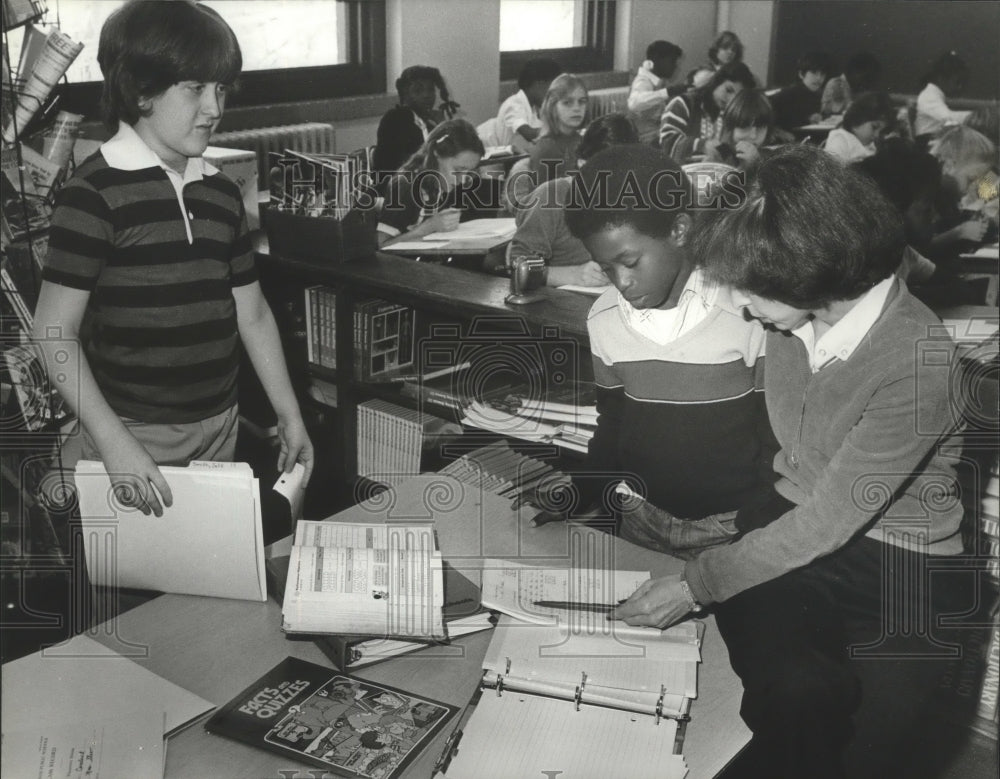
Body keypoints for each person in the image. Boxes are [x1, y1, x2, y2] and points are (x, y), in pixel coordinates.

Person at [613, 145, 972, 778]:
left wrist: (699, 581)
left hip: (903, 566)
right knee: (797, 698)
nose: (743, 306)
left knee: (870, 754)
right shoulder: (790, 320)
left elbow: (832, 519)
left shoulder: (918, 357)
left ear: (812, 273)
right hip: (792, 524)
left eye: (752, 291)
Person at [32, 0, 313, 516]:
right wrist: (113, 442)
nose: (215, 108)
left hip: (220, 424)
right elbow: (53, 332)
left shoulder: (222, 192)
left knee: (205, 580)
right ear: (141, 91)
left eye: (221, 88)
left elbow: (251, 313)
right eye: (195, 89)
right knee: (139, 591)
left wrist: (288, 411)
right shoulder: (94, 193)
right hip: (133, 432)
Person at [529, 144, 777, 562]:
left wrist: (759, 522)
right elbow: (614, 423)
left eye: (630, 261)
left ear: (679, 231)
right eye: (606, 268)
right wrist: (581, 490)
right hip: (638, 518)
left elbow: (774, 436)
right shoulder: (604, 319)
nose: (621, 282)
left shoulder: (748, 314)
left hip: (728, 530)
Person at [508, 113, 638, 288]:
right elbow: (517, 265)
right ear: (583, 163)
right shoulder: (551, 197)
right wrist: (572, 275)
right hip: (562, 302)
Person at [376, 118, 484, 248]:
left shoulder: (446, 182)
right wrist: (428, 227)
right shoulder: (406, 185)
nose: (462, 180)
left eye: (470, 171)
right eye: (458, 170)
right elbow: (381, 245)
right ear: (437, 153)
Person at [372, 65, 458, 182]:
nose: (426, 95)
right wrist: (441, 128)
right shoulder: (396, 118)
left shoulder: (428, 121)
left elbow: (455, 153)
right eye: (418, 90)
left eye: (430, 89)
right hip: (398, 186)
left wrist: (441, 124)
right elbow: (413, 161)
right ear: (405, 94)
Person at [659, 61, 756, 163]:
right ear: (717, 82)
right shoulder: (684, 103)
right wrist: (702, 145)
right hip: (679, 175)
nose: (730, 100)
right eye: (728, 90)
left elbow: (731, 153)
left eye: (736, 98)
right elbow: (667, 143)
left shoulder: (730, 115)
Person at [528, 73, 588, 189]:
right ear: (553, 107)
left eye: (582, 101)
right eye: (567, 103)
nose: (577, 108)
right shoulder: (545, 148)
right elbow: (543, 199)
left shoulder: (584, 141)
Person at [710, 89, 792, 173]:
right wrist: (745, 169)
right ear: (730, 127)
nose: (753, 136)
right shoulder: (718, 155)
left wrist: (756, 165)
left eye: (760, 128)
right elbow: (703, 182)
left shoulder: (771, 157)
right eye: (745, 127)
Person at [488, 58, 562, 150]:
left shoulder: (534, 110)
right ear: (539, 84)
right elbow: (529, 134)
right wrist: (560, 131)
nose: (554, 97)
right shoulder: (514, 104)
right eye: (552, 91)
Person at [627, 40, 684, 145]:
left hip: (654, 138)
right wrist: (668, 92)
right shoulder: (643, 81)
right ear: (658, 60)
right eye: (672, 61)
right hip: (644, 142)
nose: (675, 66)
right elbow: (634, 104)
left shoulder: (657, 83)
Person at [770, 51, 835, 131]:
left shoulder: (820, 95)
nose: (819, 78)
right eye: (814, 73)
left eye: (822, 74)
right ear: (801, 74)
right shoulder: (785, 95)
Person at [822, 90, 893, 163]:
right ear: (858, 119)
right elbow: (831, 169)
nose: (877, 135)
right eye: (874, 127)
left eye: (881, 131)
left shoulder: (870, 145)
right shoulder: (840, 138)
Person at [914, 51, 971, 141]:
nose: (959, 87)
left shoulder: (934, 95)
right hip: (927, 149)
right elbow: (948, 117)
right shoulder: (929, 95)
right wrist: (978, 116)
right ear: (941, 78)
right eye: (957, 82)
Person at [821, 51, 881, 117]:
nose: (864, 83)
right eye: (864, 77)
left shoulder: (852, 86)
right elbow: (835, 110)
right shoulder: (837, 83)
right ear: (855, 72)